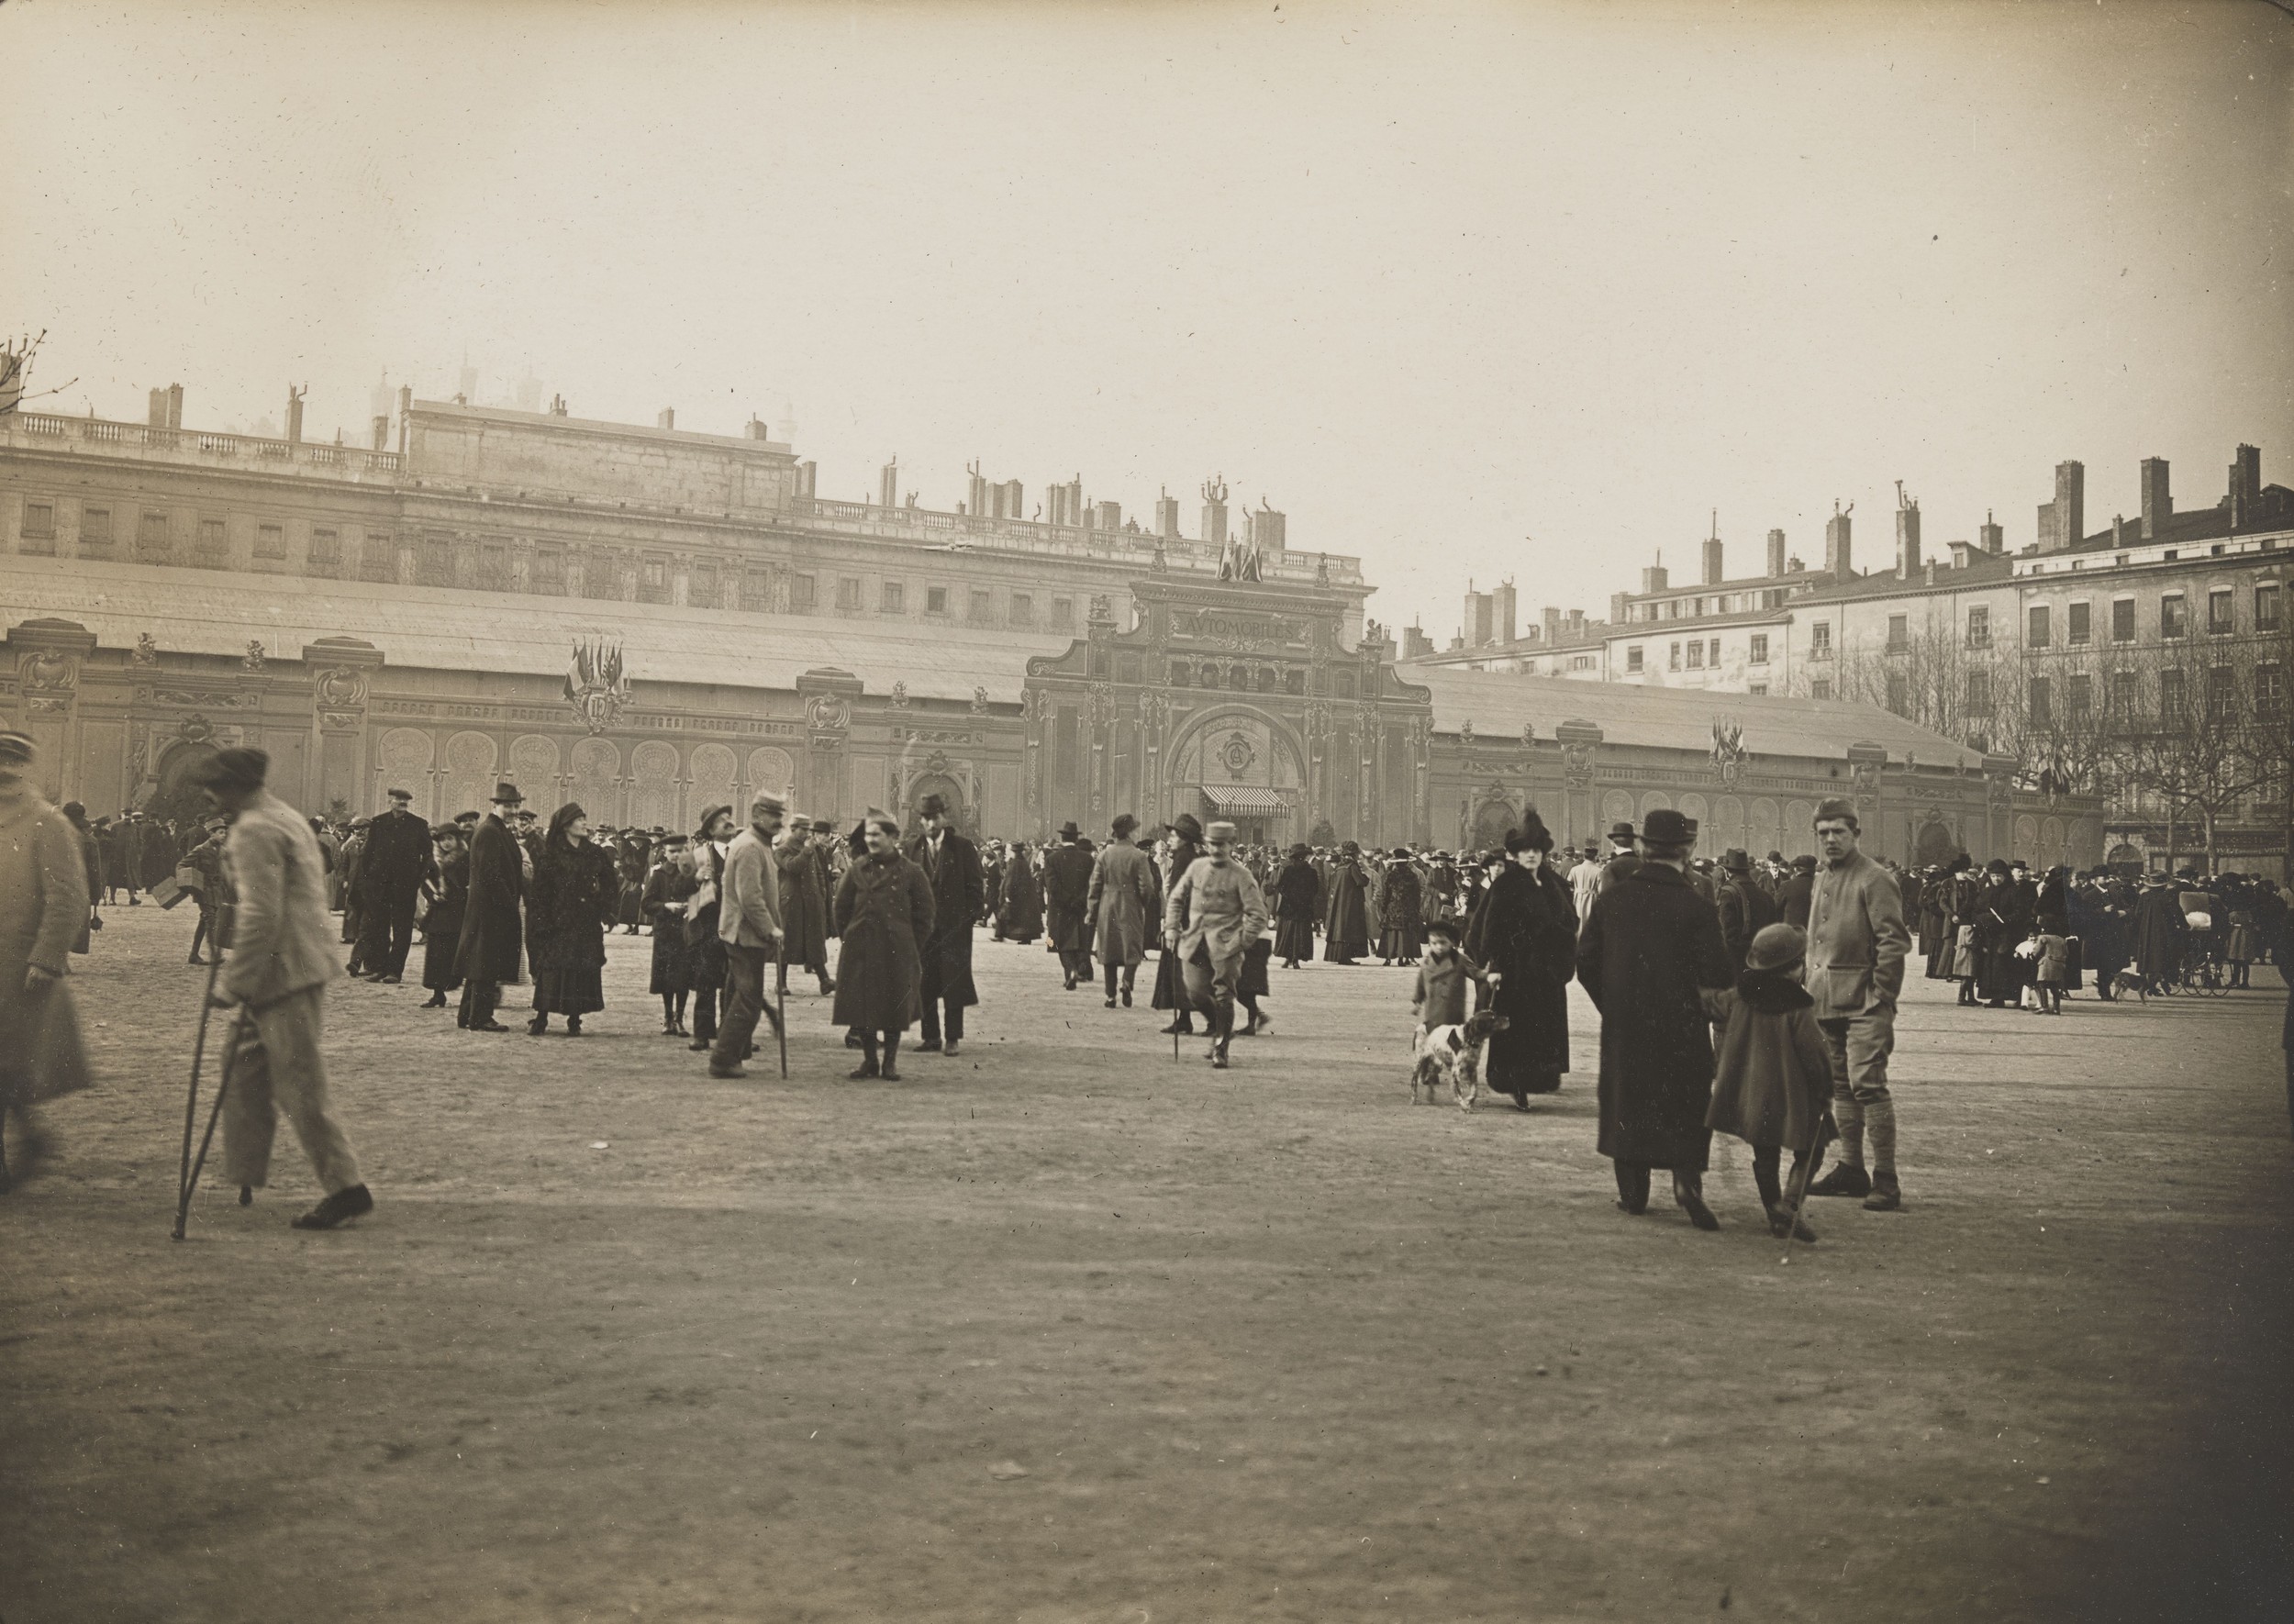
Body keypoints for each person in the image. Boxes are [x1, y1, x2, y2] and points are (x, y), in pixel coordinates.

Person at [194, 747, 373, 1230]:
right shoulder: (283, 814)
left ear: (234, 786)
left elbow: (261, 915)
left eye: (213, 786)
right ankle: (246, 1173)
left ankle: (346, 1188)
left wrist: (235, 982)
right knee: (241, 1066)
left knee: (299, 1085)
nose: (208, 796)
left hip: (285, 971)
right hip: (294, 964)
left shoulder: (254, 829)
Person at [1575, 808, 1733, 1228]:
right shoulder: (1698, 907)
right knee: (1684, 1100)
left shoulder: (1614, 899)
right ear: (1688, 851)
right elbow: (1719, 974)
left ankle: (1633, 1193)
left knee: (1628, 1098)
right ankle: (1686, 1182)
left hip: (1626, 1024)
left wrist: (1613, 1004)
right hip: (1682, 1025)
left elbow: (1586, 960)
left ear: (1643, 848)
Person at [1796, 799, 1912, 1211]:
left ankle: (1886, 1180)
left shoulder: (1875, 877)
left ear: (1856, 834)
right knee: (1840, 1085)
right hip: (1825, 999)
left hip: (1865, 1002)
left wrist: (1882, 995)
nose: (1830, 839)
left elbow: (1893, 942)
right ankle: (1851, 1169)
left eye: (1838, 832)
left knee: (1868, 1084)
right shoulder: (1821, 876)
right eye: (1823, 832)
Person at [0, 730, 92, 1192]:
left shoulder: (46, 822)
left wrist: (47, 958)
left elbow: (69, 897)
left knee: (10, 1061)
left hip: (19, 967)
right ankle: (31, 1138)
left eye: (8, 768)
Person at [1706, 922, 1835, 1240]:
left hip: (1751, 1093)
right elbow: (1814, 1054)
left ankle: (1773, 1207)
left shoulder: (1738, 996)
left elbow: (1710, 1005)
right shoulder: (1799, 1006)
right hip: (1793, 1096)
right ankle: (1789, 1205)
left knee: (1765, 1153)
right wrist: (1825, 1089)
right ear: (1793, 968)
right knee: (1813, 1148)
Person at [1462, 811, 1577, 1109]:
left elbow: (1570, 920)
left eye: (1536, 851)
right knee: (1517, 1031)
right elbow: (1484, 930)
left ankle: (1537, 1079)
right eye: (1525, 851)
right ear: (1515, 854)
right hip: (1516, 973)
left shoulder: (1552, 883)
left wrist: (1559, 949)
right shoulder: (1505, 885)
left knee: (1542, 1028)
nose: (1531, 856)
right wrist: (1493, 965)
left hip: (1546, 972)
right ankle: (1517, 1085)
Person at [833, 808, 935, 1081]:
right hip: (861, 949)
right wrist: (851, 937)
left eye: (876, 834)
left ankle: (889, 1062)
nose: (871, 840)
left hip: (896, 951)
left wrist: (910, 944)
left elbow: (925, 916)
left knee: (894, 1006)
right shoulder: (857, 869)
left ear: (892, 837)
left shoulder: (912, 872)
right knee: (862, 1006)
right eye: (868, 834)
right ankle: (870, 1060)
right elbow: (841, 908)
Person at [1162, 819, 1270, 1070]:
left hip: (1226, 946)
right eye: (1212, 844)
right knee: (1196, 993)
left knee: (1224, 996)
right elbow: (1176, 899)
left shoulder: (1241, 875)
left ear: (1231, 845)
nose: (1216, 849)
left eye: (1222, 844)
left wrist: (1242, 941)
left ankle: (1221, 1048)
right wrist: (1171, 928)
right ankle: (1222, 1028)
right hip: (1195, 942)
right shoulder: (1196, 867)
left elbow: (1258, 914)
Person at [708, 793, 786, 1079]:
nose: (779, 821)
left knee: (737, 995)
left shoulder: (757, 844)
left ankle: (735, 1052)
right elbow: (750, 898)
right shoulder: (751, 847)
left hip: (742, 932)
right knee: (749, 1000)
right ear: (756, 814)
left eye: (780, 815)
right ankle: (722, 1059)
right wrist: (770, 928)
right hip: (746, 934)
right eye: (772, 815)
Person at [526, 804, 614, 1037]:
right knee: (552, 969)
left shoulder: (595, 853)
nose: (585, 823)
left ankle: (575, 1019)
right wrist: (541, 922)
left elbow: (610, 882)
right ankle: (541, 1018)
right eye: (579, 820)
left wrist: (602, 907)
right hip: (558, 922)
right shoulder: (551, 854)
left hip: (586, 922)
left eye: (585, 819)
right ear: (566, 825)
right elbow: (540, 893)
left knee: (582, 968)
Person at [904, 795, 983, 1055]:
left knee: (953, 983)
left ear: (944, 818)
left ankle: (952, 1038)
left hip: (954, 930)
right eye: (926, 818)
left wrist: (967, 920)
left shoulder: (962, 847)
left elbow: (975, 888)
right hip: (923, 931)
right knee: (925, 983)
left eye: (935, 817)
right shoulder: (913, 848)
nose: (930, 823)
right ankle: (931, 1037)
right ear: (920, 820)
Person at [454, 782, 528, 1032]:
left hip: (489, 907)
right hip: (491, 909)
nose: (514, 810)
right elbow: (490, 876)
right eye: (508, 805)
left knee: (480, 961)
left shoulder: (498, 830)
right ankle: (481, 1017)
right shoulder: (489, 831)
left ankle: (467, 1014)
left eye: (516, 805)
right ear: (495, 805)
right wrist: (509, 904)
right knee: (485, 962)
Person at [355, 786, 432, 984]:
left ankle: (394, 971)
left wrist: (418, 879)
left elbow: (428, 855)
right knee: (379, 928)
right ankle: (380, 968)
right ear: (389, 800)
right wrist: (367, 879)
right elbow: (368, 853)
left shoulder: (418, 825)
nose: (402, 802)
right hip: (379, 886)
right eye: (398, 799)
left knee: (402, 929)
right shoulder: (379, 823)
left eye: (405, 800)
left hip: (405, 887)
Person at [1087, 813, 1158, 1008]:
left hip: (1107, 905)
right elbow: (1148, 886)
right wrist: (1141, 903)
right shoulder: (1139, 856)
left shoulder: (1104, 855)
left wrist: (1092, 910)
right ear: (1128, 833)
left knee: (1109, 950)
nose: (1137, 833)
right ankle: (1127, 982)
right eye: (1135, 830)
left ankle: (1110, 996)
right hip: (1131, 905)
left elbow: (1095, 885)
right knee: (1132, 948)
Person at [685, 806, 736, 1054]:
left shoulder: (742, 851)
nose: (729, 822)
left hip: (737, 927)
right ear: (711, 830)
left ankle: (732, 1036)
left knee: (734, 984)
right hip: (708, 928)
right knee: (705, 982)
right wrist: (695, 878)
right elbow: (678, 886)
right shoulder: (697, 854)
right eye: (722, 820)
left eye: (729, 818)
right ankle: (702, 1034)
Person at [1153, 816, 1206, 1032]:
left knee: (1182, 973)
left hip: (1183, 925)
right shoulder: (1189, 856)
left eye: (1174, 835)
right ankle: (1187, 1019)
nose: (1170, 839)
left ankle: (1189, 1020)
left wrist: (1175, 924)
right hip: (1189, 922)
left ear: (1184, 838)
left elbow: (1179, 894)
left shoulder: (1183, 858)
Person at [642, 835, 699, 1035]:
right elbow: (647, 903)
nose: (676, 855)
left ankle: (679, 1017)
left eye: (680, 851)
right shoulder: (658, 875)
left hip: (686, 932)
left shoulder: (692, 872)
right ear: (664, 853)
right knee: (666, 976)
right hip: (665, 932)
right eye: (671, 851)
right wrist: (666, 906)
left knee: (683, 976)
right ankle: (668, 1017)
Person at [775, 816, 835, 998]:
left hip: (810, 901)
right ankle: (781, 982)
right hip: (791, 901)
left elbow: (818, 873)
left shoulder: (811, 850)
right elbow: (792, 867)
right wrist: (807, 851)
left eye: (807, 829)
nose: (806, 833)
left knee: (813, 940)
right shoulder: (782, 849)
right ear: (793, 829)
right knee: (787, 941)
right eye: (803, 829)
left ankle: (824, 981)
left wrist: (821, 896)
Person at [418, 824, 469, 1009]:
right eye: (442, 839)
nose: (446, 843)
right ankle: (437, 994)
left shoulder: (466, 858)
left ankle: (463, 994)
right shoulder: (434, 860)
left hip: (459, 912)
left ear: (457, 840)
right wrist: (433, 895)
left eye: (450, 839)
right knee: (436, 954)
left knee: (457, 953)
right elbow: (425, 880)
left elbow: (469, 882)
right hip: (439, 913)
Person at [1042, 822, 1095, 991]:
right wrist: (1078, 900)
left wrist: (1067, 900)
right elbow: (1091, 885)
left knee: (1059, 943)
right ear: (1076, 838)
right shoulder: (1088, 859)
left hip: (1059, 909)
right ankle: (1078, 969)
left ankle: (1070, 971)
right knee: (1079, 940)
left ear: (1062, 838)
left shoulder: (1051, 859)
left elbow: (1052, 886)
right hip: (1080, 908)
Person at [184, 814, 234, 965]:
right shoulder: (200, 850)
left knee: (204, 921)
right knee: (210, 920)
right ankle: (214, 955)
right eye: (220, 833)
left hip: (217, 891)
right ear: (211, 833)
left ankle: (193, 954)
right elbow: (182, 864)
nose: (224, 835)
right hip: (203, 891)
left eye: (224, 832)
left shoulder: (224, 851)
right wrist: (189, 881)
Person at [2131, 873, 2188, 995]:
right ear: (2164, 884)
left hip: (2147, 932)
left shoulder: (2144, 896)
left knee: (2149, 957)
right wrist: (2185, 925)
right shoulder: (2168, 896)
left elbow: (2137, 913)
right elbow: (2178, 913)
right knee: (2165, 956)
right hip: (2165, 931)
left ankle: (2150, 985)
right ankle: (2165, 981)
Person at [1272, 843, 1320, 969]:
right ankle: (1296, 959)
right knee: (1301, 933)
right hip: (1304, 907)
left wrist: (1290, 896)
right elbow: (1315, 889)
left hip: (1289, 907)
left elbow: (1281, 887)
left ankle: (1288, 958)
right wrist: (1305, 898)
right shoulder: (1311, 871)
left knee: (1288, 932)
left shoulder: (1289, 870)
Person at [1322, 841, 1370, 964]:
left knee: (1340, 928)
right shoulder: (1353, 867)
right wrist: (1366, 875)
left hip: (1339, 903)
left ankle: (1338, 955)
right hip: (1351, 903)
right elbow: (1361, 881)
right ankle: (1345, 956)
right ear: (1353, 854)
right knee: (1350, 929)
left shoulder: (1340, 867)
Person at [1377, 850, 1422, 966]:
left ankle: (1388, 958)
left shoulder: (1390, 875)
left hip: (1393, 907)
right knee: (1406, 932)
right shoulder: (1412, 876)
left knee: (1391, 932)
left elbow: (1386, 894)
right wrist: (1417, 908)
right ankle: (1402, 958)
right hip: (1408, 908)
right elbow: (1417, 894)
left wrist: (1384, 907)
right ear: (1407, 862)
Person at [997, 842, 1043, 944]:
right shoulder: (1024, 862)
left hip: (1015, 894)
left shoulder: (1014, 863)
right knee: (1025, 918)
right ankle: (1026, 937)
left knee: (1004, 912)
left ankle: (1000, 935)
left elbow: (1010, 880)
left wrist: (1008, 894)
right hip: (1026, 895)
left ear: (1014, 852)